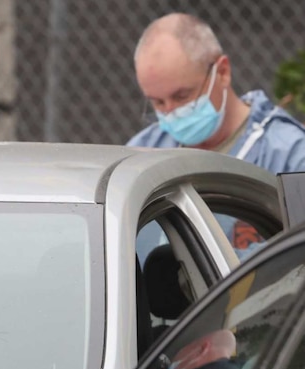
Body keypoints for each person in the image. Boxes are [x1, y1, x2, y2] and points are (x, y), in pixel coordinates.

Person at [129, 13, 305, 263]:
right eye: (157, 102)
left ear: (222, 72)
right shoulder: (143, 151)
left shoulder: (289, 154)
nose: (171, 112)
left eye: (182, 96)